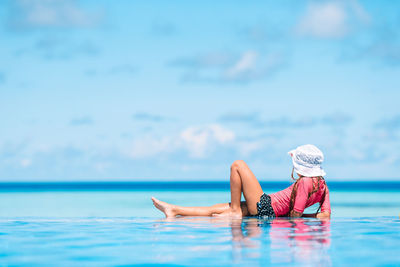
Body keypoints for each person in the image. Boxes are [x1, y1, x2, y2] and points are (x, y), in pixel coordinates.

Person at [152, 144, 331, 219]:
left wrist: (284, 216)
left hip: (265, 206)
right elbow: (325, 216)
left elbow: (295, 215)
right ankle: (174, 210)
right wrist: (286, 216)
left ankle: (236, 211)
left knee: (238, 165)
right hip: (268, 209)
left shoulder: (305, 182)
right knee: (217, 209)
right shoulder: (323, 186)